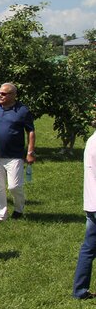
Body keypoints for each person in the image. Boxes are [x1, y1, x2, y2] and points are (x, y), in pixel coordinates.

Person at [0, 83, 35, 222]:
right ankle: (0, 215)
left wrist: (30, 152)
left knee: (14, 186)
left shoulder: (23, 110)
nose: (0, 95)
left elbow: (30, 131)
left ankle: (19, 208)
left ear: (13, 95)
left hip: (15, 155)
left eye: (4, 94)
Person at [72, 125, 96, 300]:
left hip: (91, 203)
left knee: (88, 248)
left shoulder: (91, 141)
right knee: (88, 248)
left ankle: (80, 290)